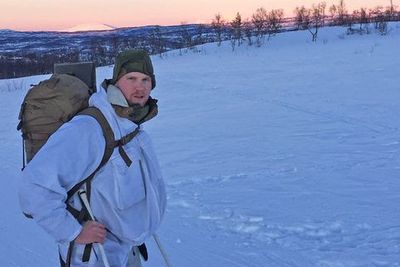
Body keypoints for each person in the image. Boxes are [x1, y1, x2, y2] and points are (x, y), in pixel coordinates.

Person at [18, 49, 167, 267]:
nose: (140, 87)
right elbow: (33, 187)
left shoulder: (130, 124)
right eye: (131, 78)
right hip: (96, 256)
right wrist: (73, 232)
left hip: (125, 249)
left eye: (146, 79)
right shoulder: (89, 128)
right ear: (116, 81)